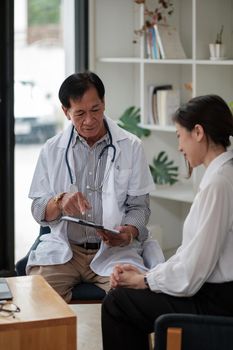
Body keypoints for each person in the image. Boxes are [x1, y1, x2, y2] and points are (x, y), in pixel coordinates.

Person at [101, 94, 233, 350]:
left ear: (197, 132)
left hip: (216, 301)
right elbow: (191, 255)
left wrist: (145, 281)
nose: (180, 147)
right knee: (125, 299)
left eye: (178, 136)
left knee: (118, 303)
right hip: (211, 292)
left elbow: (193, 271)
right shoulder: (222, 175)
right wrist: (149, 274)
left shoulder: (219, 184)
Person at [26, 71, 164, 302]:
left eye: (95, 110)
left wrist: (128, 233)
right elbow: (38, 209)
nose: (89, 120)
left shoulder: (130, 146)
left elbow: (140, 207)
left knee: (132, 299)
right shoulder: (52, 149)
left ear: (104, 103)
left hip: (114, 251)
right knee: (39, 300)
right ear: (65, 112)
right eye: (79, 113)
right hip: (66, 250)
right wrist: (59, 202)